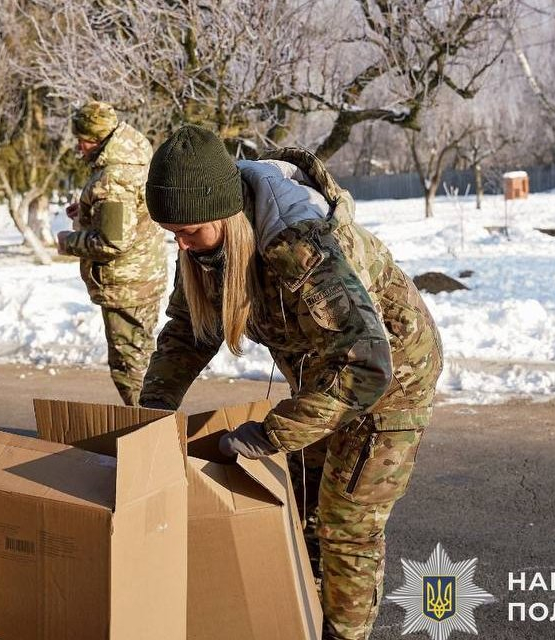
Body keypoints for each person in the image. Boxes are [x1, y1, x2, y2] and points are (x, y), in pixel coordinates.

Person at [138, 125, 443, 640]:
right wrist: (150, 413)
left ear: (224, 214)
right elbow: (189, 331)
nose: (180, 244)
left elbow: (367, 365)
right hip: (322, 377)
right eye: (172, 233)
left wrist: (273, 435)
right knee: (300, 512)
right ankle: (297, 619)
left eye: (188, 231)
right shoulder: (204, 248)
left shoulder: (300, 245)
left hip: (390, 380)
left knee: (345, 524)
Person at [57, 101, 167, 405]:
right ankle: (155, 431)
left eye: (82, 139)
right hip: (144, 276)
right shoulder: (135, 156)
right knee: (142, 361)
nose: (79, 146)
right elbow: (132, 213)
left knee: (129, 368)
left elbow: (112, 242)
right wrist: (89, 212)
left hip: (126, 286)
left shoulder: (114, 176)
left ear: (94, 138)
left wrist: (69, 241)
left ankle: (149, 437)